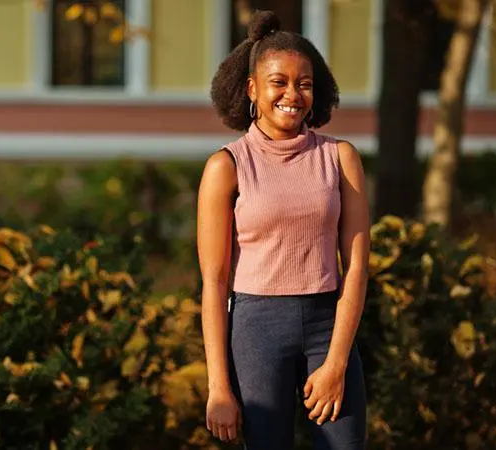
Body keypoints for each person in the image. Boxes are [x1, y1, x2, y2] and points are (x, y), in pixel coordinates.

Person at [196, 9, 370, 450]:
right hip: (257, 329)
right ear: (253, 88)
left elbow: (356, 269)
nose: (292, 94)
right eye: (279, 82)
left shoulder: (341, 158)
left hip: (327, 325)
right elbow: (215, 283)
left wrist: (336, 362)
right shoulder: (227, 166)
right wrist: (219, 387)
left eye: (304, 83)